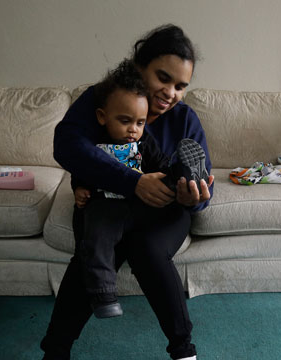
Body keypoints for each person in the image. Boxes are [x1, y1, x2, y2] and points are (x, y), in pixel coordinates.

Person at [41, 24, 214, 360]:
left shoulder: (184, 119)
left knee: (147, 248)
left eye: (180, 86)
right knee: (94, 251)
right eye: (163, 77)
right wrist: (132, 182)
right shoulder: (103, 98)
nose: (170, 93)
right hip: (105, 200)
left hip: (164, 210)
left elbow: (203, 183)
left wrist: (193, 197)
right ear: (139, 66)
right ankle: (56, 352)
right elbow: (66, 146)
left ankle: (184, 352)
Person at [71, 59, 209, 320]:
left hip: (140, 202)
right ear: (102, 117)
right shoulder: (94, 143)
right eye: (125, 121)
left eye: (140, 123)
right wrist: (79, 188)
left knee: (168, 180)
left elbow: (160, 164)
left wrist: (172, 179)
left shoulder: (144, 141)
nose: (133, 130)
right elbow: (82, 168)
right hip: (106, 204)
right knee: (96, 240)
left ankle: (187, 176)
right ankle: (104, 294)